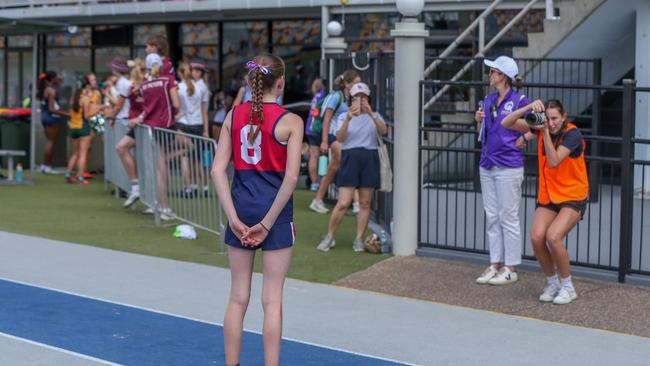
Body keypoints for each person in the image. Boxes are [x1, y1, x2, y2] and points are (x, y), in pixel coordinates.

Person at [211, 54, 303, 366]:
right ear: (281, 81)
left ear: (251, 83)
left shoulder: (233, 115)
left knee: (238, 297)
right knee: (272, 299)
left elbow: (217, 170)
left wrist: (234, 218)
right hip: (274, 216)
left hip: (241, 212)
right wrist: (266, 222)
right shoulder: (291, 121)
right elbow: (291, 178)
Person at [502, 98, 587, 305]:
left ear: (564, 117)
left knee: (553, 236)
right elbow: (507, 123)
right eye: (548, 119)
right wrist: (529, 108)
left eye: (555, 118)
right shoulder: (541, 128)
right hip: (549, 196)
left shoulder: (572, 134)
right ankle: (552, 283)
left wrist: (543, 132)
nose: (551, 122)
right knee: (536, 237)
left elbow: (554, 160)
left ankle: (568, 286)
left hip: (573, 195)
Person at [473, 56, 529, 286]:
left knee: (508, 216)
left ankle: (511, 267)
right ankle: (495, 263)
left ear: (503, 76)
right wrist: (478, 121)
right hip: (488, 162)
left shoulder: (520, 100)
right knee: (493, 216)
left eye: (493, 71)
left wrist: (525, 136)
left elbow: (538, 124)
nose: (490, 74)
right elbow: (485, 130)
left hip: (508, 164)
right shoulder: (489, 99)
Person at [316, 82, 387, 252]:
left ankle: (359, 239)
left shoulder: (374, 115)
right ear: (351, 98)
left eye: (364, 97)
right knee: (343, 202)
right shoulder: (343, 116)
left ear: (369, 98)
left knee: (365, 202)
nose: (361, 100)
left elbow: (384, 131)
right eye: (357, 97)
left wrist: (371, 114)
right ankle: (330, 236)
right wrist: (348, 117)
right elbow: (340, 138)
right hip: (350, 157)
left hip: (369, 157)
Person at [128, 53, 180, 220]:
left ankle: (158, 205)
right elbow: (177, 104)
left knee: (157, 166)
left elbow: (146, 108)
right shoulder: (168, 81)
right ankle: (164, 207)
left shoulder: (144, 85)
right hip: (165, 126)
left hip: (151, 127)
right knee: (161, 168)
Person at [309, 70, 361, 214]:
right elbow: (326, 118)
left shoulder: (349, 98)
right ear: (347, 84)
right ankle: (356, 202)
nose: (359, 86)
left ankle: (317, 200)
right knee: (348, 162)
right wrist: (324, 141)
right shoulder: (336, 97)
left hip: (337, 136)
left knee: (333, 168)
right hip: (331, 136)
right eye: (356, 83)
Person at [176, 61, 210, 197]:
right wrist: (206, 130)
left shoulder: (178, 87)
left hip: (183, 123)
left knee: (185, 156)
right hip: (198, 124)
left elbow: (178, 108)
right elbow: (204, 111)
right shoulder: (201, 88)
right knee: (196, 158)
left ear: (180, 73)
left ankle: (188, 188)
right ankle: (201, 187)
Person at [65, 74, 107, 185]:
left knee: (76, 153)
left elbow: (71, 110)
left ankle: (68, 175)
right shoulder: (85, 98)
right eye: (92, 80)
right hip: (84, 125)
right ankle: (80, 178)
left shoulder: (77, 96)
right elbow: (88, 115)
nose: (95, 81)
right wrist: (101, 108)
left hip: (74, 126)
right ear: (87, 84)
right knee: (83, 153)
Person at [115, 58, 145, 208]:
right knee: (121, 147)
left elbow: (155, 106)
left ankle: (157, 204)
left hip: (148, 125)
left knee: (153, 163)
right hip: (139, 125)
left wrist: (140, 117)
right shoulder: (133, 86)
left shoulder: (148, 84)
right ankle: (136, 188)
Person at [37, 71, 70, 174]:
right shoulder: (51, 91)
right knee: (51, 142)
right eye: (56, 77)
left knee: (49, 142)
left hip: (44, 117)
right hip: (52, 117)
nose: (58, 79)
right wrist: (66, 114)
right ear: (52, 79)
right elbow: (52, 108)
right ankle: (47, 167)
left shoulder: (44, 89)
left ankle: (44, 165)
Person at [305, 77, 327, 191]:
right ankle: (322, 183)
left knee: (314, 156)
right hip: (318, 129)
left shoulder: (315, 96)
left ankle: (314, 184)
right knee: (322, 155)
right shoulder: (324, 95)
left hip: (310, 128)